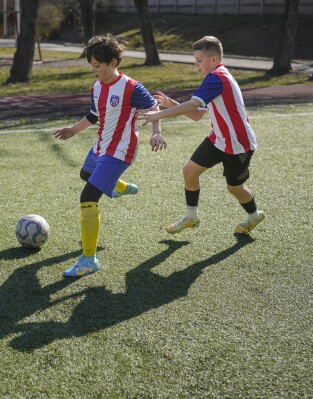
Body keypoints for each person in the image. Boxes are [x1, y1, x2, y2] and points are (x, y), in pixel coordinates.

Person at [54, 34, 166, 278]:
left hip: (120, 151)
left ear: (113, 63)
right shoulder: (96, 87)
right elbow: (94, 115)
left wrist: (156, 133)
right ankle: (118, 188)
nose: (94, 70)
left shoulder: (131, 87)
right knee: (86, 174)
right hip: (101, 146)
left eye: (97, 65)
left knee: (88, 197)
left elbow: (154, 108)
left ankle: (88, 259)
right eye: (91, 65)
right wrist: (73, 130)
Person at [138, 35, 265, 235]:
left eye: (199, 60)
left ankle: (254, 215)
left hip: (237, 143)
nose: (196, 65)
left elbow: (192, 105)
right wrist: (170, 104)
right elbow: (197, 115)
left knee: (234, 187)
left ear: (213, 60)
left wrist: (158, 114)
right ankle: (191, 217)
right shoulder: (214, 78)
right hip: (219, 138)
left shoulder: (217, 78)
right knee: (189, 171)